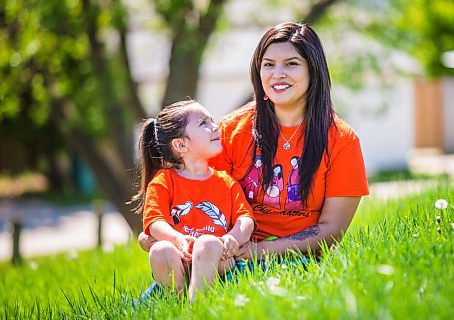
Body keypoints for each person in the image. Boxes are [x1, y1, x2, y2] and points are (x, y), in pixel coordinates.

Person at [139, 21, 368, 268]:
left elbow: (332, 229)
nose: (277, 74)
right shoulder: (229, 131)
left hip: (297, 261)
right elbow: (189, 198)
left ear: (313, 71)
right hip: (226, 256)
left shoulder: (342, 140)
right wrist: (165, 239)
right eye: (268, 65)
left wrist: (259, 251)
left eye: (291, 64)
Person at [132, 100, 254, 301]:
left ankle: (196, 305)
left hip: (219, 262)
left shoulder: (226, 181)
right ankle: (175, 303)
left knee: (206, 244)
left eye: (212, 121)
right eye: (203, 123)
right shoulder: (163, 182)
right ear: (181, 144)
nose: (214, 126)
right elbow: (155, 222)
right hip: (180, 259)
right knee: (161, 249)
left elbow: (245, 219)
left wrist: (233, 237)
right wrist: (177, 239)